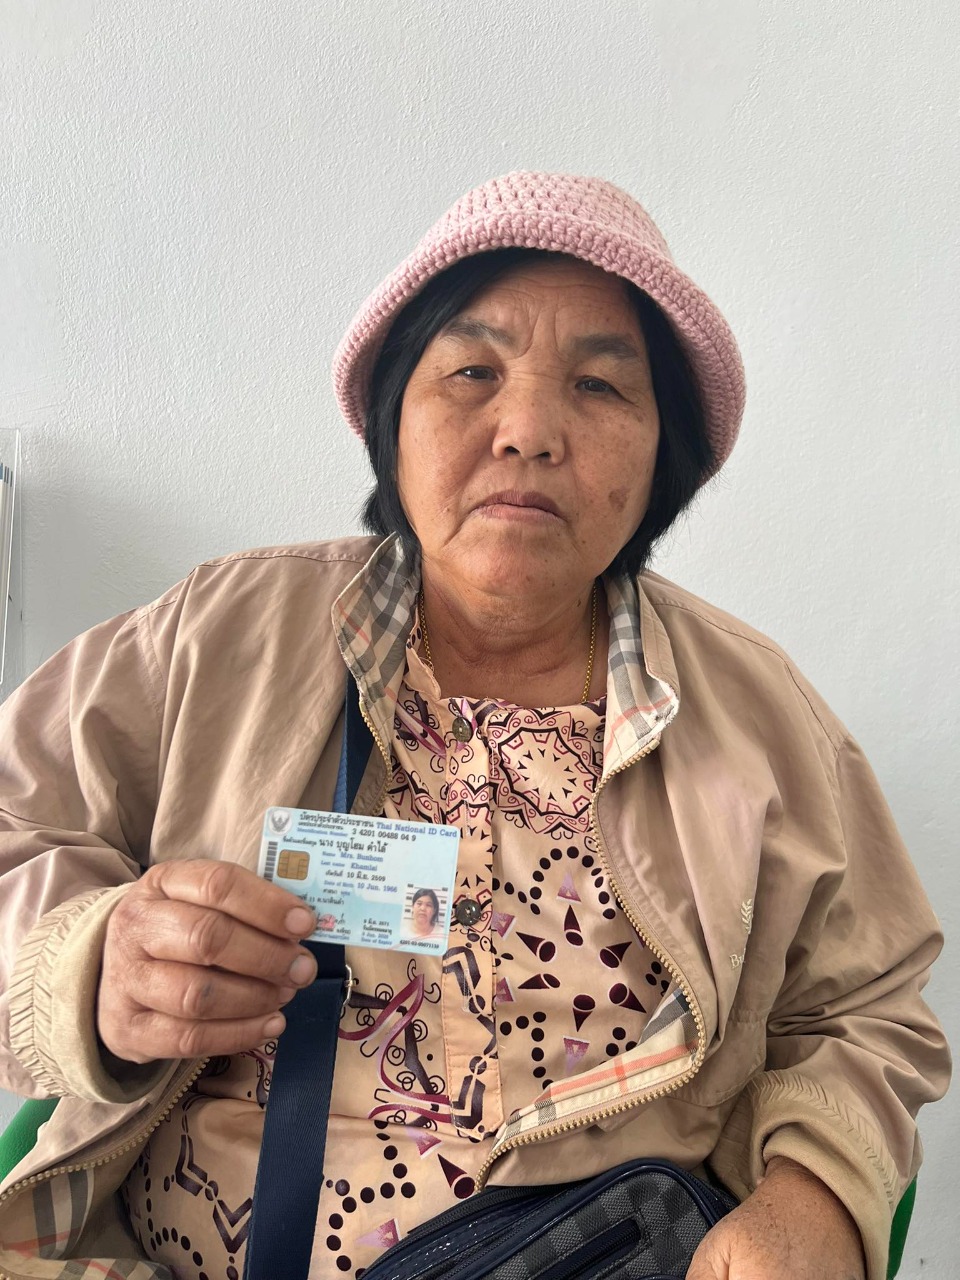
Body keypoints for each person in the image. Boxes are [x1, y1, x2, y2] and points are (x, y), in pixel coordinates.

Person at [0, 172, 950, 1280]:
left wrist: (816, 1194)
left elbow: (866, 1008)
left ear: (664, 456)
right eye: (472, 372)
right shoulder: (214, 636)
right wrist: (95, 961)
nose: (530, 431)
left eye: (600, 386)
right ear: (394, 419)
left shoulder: (768, 720)